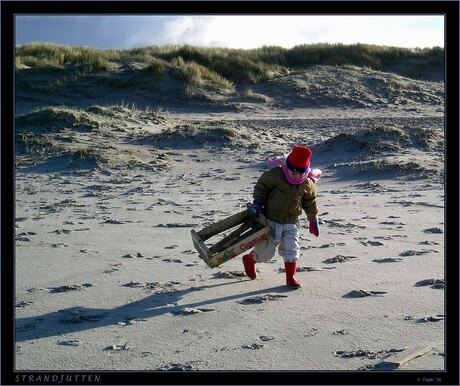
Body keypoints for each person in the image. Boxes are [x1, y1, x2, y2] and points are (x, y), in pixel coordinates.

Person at [242, 145, 321, 289]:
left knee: (291, 248)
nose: (295, 175)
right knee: (265, 253)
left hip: (291, 222)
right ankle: (250, 259)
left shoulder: (307, 184)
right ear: (287, 166)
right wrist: (258, 202)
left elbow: (310, 202)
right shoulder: (276, 174)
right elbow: (262, 186)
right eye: (292, 171)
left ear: (306, 171)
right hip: (270, 219)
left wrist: (312, 220)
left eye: (299, 172)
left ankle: (290, 277)